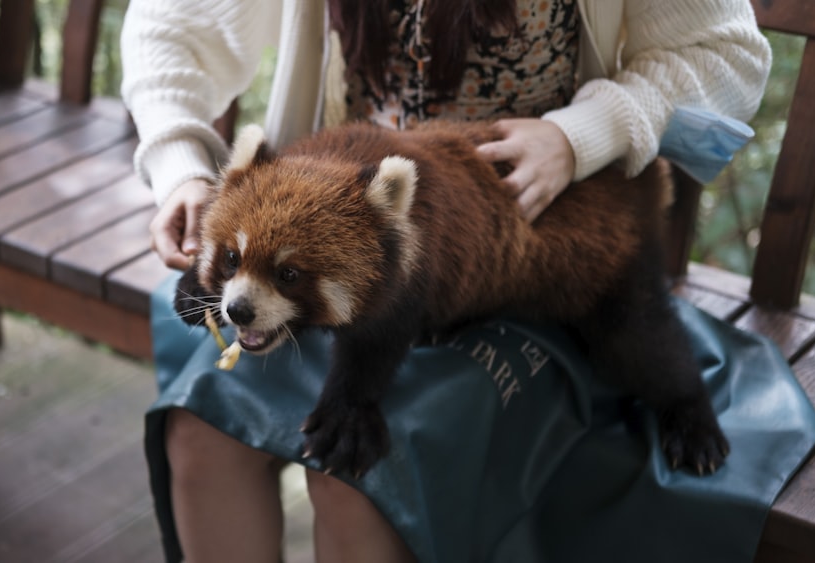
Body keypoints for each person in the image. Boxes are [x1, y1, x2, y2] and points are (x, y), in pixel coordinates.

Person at [120, 1, 773, 561]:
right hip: (327, 256)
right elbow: (171, 27)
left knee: (357, 483)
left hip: (541, 250)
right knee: (201, 434)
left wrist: (581, 135)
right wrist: (184, 170)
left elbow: (726, 57)